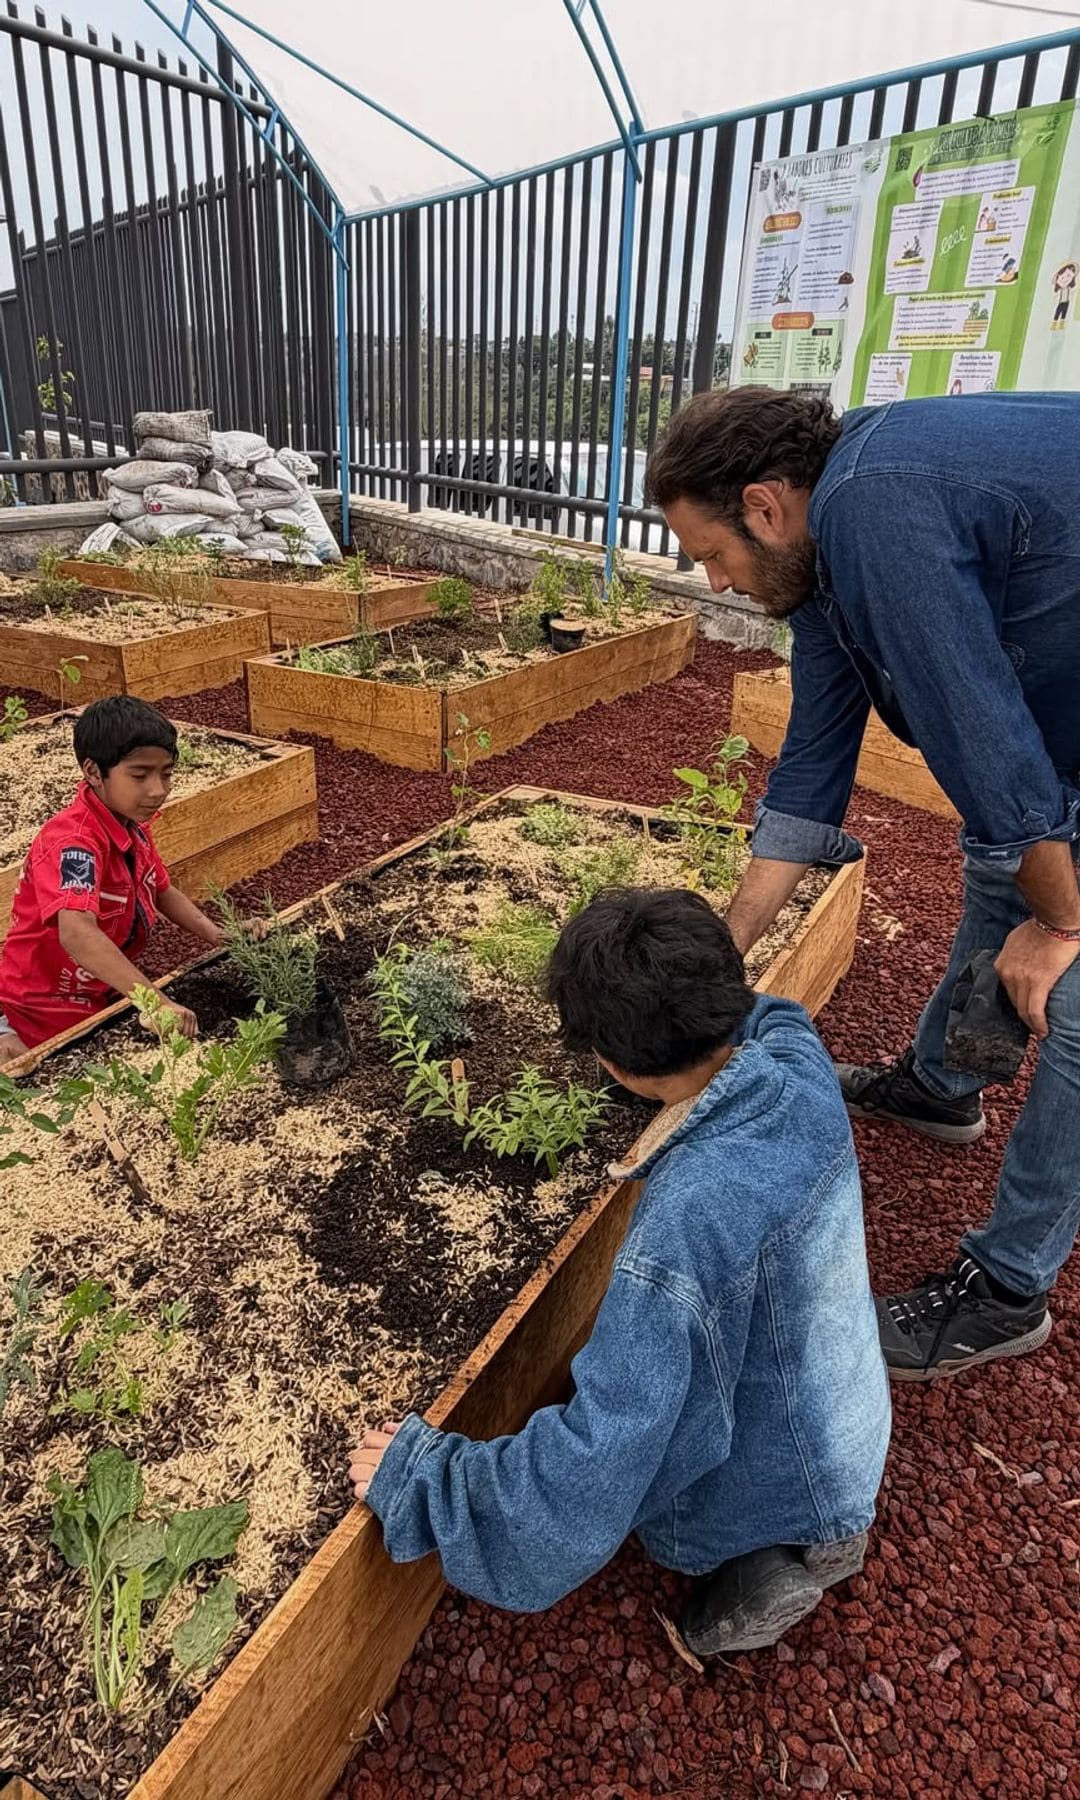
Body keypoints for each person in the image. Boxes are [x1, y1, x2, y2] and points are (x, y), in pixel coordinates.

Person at [644, 386, 1080, 1381]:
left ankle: (1008, 1287)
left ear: (764, 506)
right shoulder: (830, 553)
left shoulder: (872, 509)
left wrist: (1061, 926)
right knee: (1000, 862)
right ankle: (942, 1086)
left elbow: (983, 731)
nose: (713, 580)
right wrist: (726, 952)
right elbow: (815, 757)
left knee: (1076, 993)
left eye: (711, 553)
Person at [352, 888, 890, 1655]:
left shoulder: (683, 1228)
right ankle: (808, 1535)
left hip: (786, 1483)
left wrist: (432, 1480)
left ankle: (770, 1554)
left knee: (664, 1477)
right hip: (852, 1429)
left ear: (610, 1064)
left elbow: (606, 1450)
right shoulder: (795, 1059)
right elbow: (770, 1011)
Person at [0, 695, 226, 1064]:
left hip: (98, 998)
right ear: (93, 772)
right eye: (139, 775)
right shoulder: (74, 844)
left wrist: (218, 935)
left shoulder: (132, 826)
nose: (158, 790)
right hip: (39, 1016)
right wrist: (156, 1002)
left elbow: (161, 889)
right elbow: (75, 930)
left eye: (166, 773)